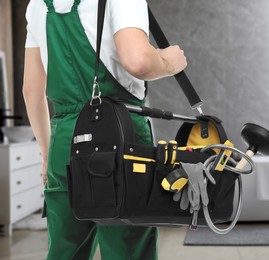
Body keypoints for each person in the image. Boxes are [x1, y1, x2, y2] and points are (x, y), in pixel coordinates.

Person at [22, 0, 187, 259]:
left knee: (65, 250)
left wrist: (46, 155)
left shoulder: (37, 4)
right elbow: (139, 61)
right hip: (121, 136)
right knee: (127, 250)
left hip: (64, 141)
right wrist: (171, 61)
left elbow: (31, 91)